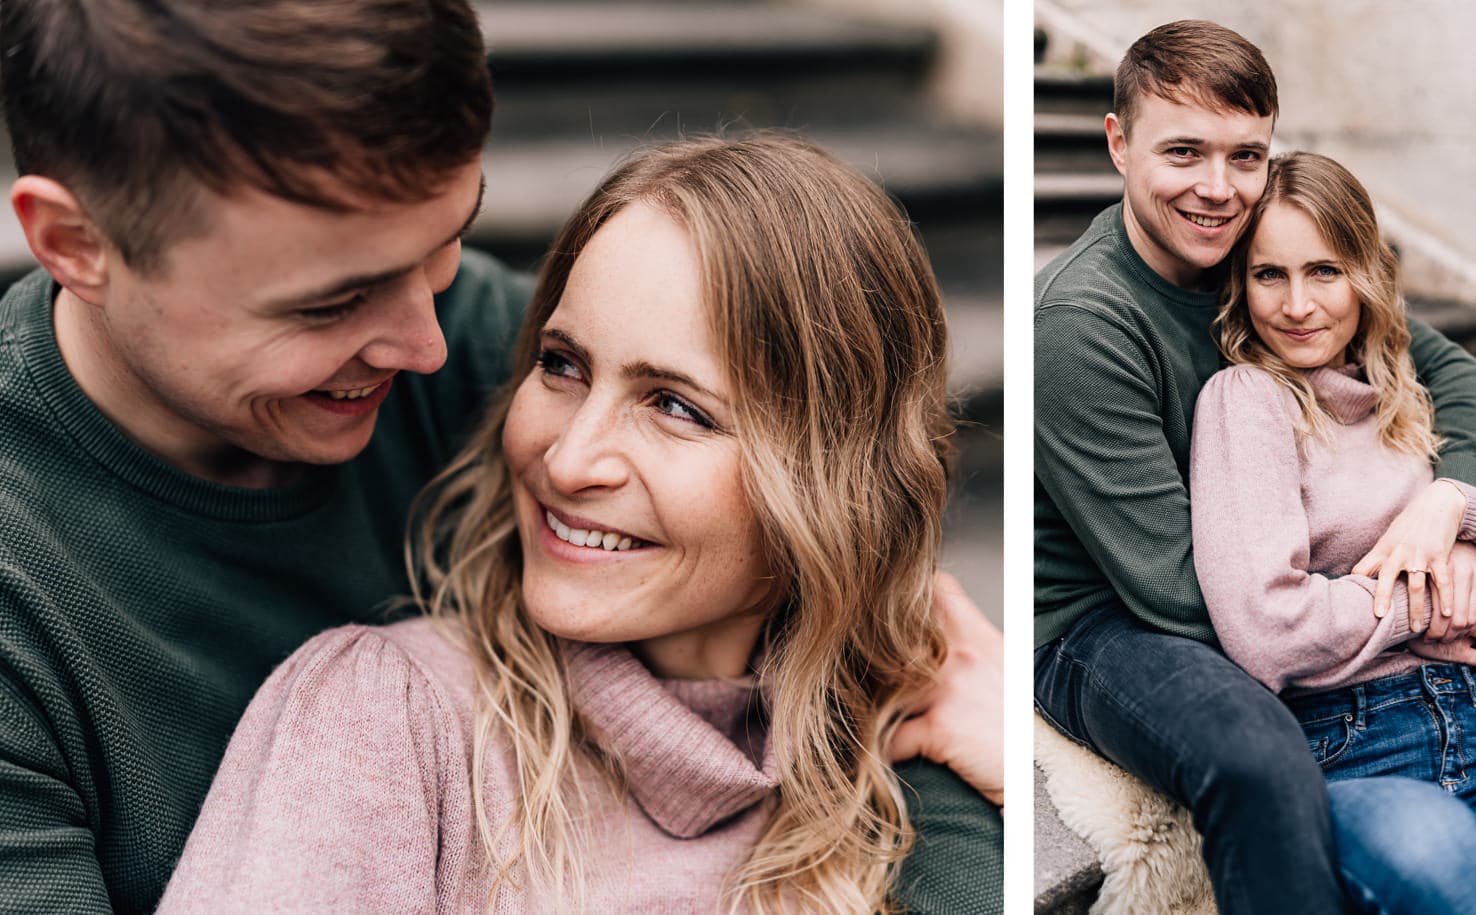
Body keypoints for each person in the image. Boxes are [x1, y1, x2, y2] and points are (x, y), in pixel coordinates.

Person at [0, 3, 999, 912]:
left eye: (443, 247)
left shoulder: (486, 353)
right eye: (331, 301)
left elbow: (826, 550)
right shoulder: (47, 598)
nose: (430, 348)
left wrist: (951, 777)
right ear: (75, 244)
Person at [1034, 20, 1476, 913]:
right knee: (1250, 748)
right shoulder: (1083, 326)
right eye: (1184, 151)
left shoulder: (1260, 251)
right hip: (1104, 612)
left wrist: (1444, 508)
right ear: (1118, 144)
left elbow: (1452, 374)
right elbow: (1190, 595)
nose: (1216, 186)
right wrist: (1425, 597)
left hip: (1284, 585)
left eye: (1245, 156)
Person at [1192, 151, 1476, 915]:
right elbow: (1271, 629)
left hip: (1469, 698)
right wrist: (1428, 597)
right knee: (1454, 872)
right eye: (1268, 275)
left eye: (1324, 271)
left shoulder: (1397, 392)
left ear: (1366, 276)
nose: (1295, 305)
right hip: (1357, 743)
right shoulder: (1246, 400)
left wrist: (1450, 507)